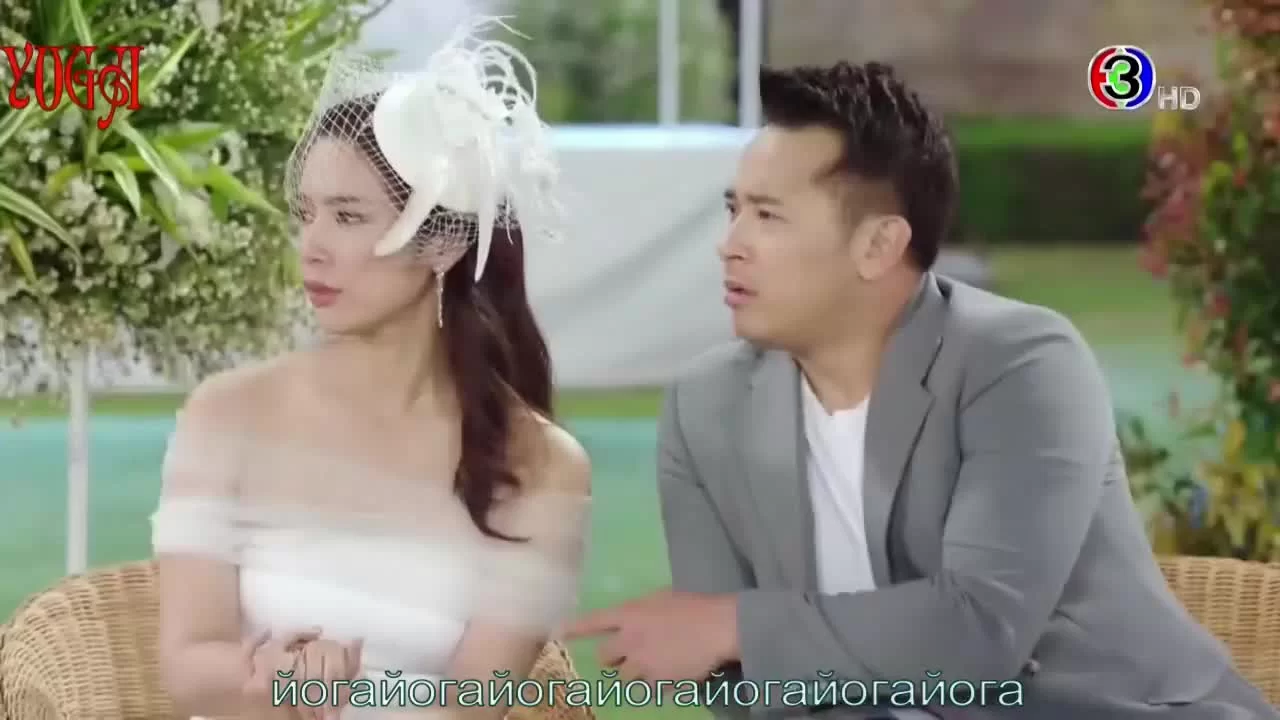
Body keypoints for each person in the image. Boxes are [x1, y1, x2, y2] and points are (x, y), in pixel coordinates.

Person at [565, 62, 1277, 719]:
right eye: (734, 210)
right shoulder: (704, 408)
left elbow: (978, 629)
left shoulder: (1021, 363)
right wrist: (723, 638)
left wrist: (731, 624)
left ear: (879, 246)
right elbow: (732, 682)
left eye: (768, 215)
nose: (731, 243)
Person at [151, 18, 591, 720]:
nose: (312, 247)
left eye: (348, 217)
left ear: (442, 244)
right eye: (306, 214)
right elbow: (187, 664)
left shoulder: (540, 463)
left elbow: (473, 707)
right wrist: (273, 681)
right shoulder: (227, 413)